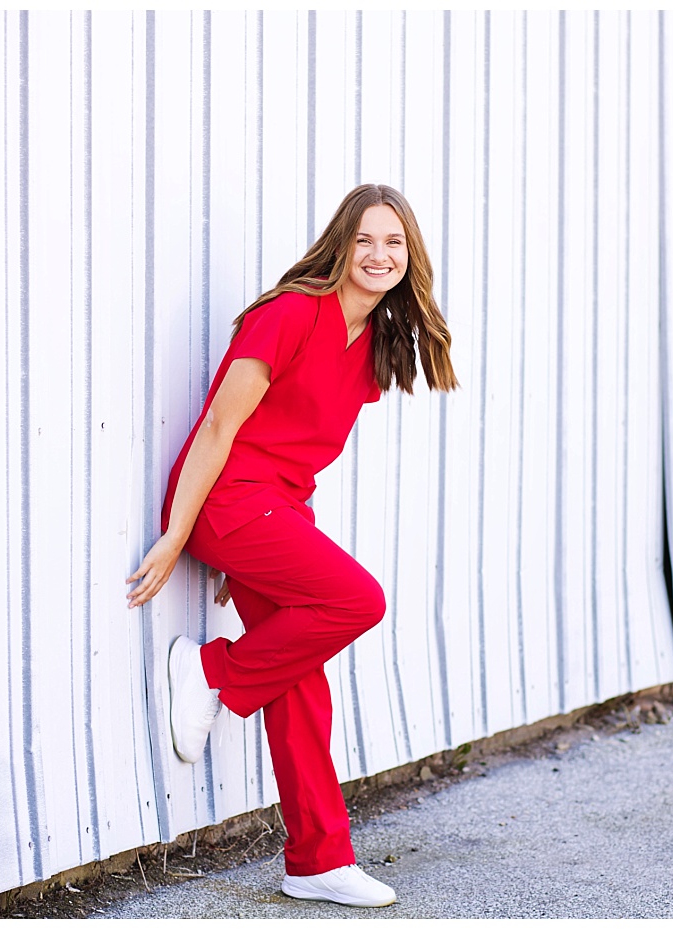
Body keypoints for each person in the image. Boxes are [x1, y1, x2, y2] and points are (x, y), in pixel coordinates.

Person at [126, 184, 457, 908]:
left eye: (394, 242)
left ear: (410, 255)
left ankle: (316, 859)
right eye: (366, 239)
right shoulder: (289, 314)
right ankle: (215, 669)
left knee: (301, 677)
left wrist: (271, 547)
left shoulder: (371, 343)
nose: (379, 254)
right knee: (359, 600)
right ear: (341, 244)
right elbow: (218, 427)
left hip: (274, 513)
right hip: (224, 499)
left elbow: (298, 452)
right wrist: (185, 534)